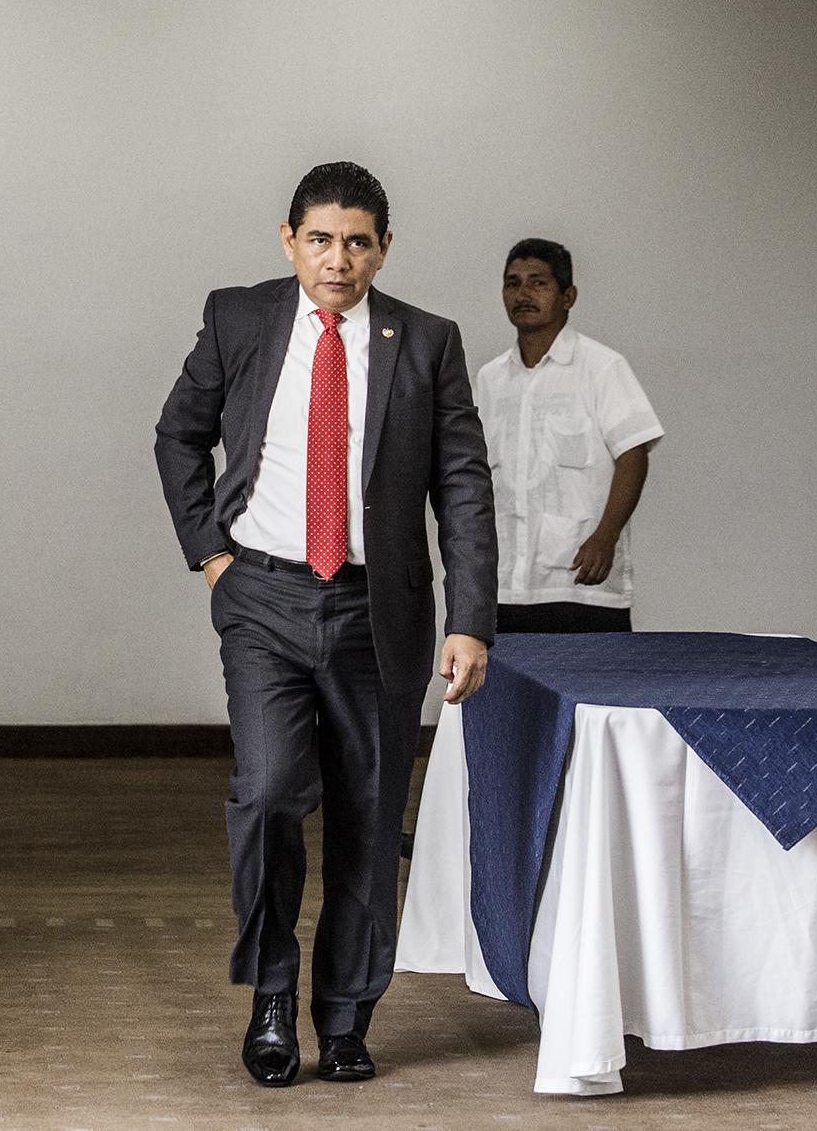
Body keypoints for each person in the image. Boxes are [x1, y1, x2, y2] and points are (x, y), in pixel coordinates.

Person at [155, 161, 496, 1087]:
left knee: (369, 814)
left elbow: (462, 484)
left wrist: (472, 618)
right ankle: (271, 991)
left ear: (383, 247)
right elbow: (178, 432)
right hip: (262, 596)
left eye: (356, 241)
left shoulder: (426, 340)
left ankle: (345, 1016)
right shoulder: (239, 316)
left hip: (376, 609)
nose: (336, 259)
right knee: (267, 792)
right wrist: (210, 553)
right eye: (319, 239)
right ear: (287, 240)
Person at [477, 238, 662, 633]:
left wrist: (606, 536)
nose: (522, 293)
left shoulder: (602, 367)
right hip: (505, 586)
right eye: (512, 283)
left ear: (568, 296)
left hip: (580, 584)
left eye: (538, 282)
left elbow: (634, 453)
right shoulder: (490, 379)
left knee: (593, 694)